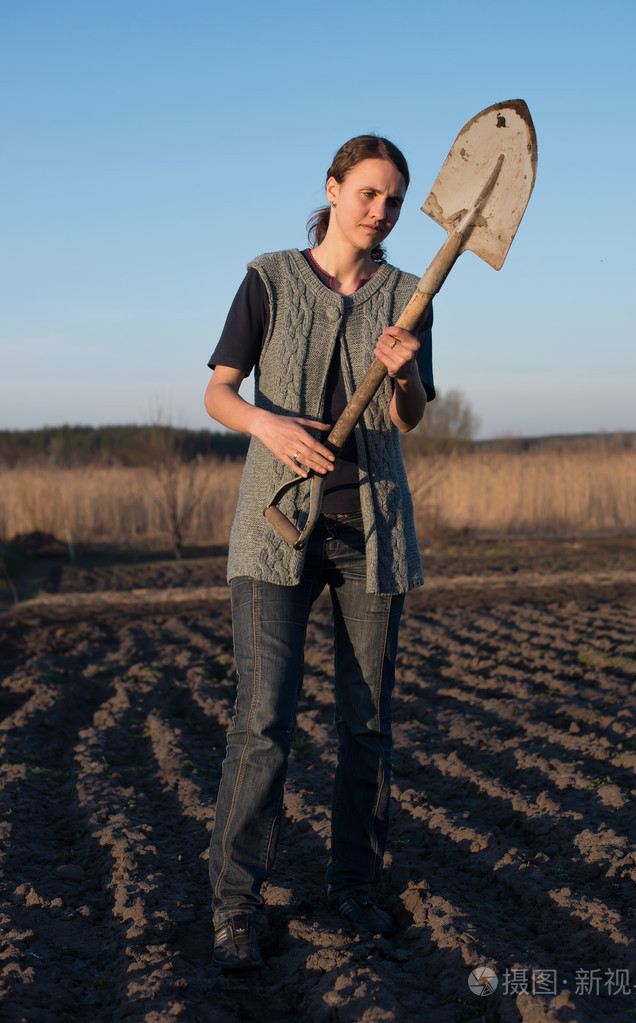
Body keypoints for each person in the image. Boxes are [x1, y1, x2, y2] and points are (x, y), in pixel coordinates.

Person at [205, 134, 434, 970]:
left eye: (395, 200)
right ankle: (234, 904)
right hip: (275, 532)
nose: (381, 211)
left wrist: (404, 373)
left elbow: (409, 416)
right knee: (262, 720)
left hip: (369, 532)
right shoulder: (268, 276)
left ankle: (353, 885)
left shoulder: (412, 294)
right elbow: (218, 390)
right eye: (368, 193)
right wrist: (265, 422)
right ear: (332, 189)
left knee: (366, 723)